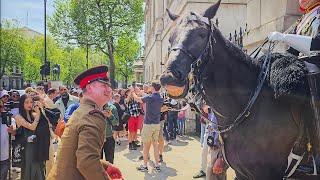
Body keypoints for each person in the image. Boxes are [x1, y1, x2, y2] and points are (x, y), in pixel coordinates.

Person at [268, 0, 320, 173]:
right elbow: (293, 53)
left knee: (311, 75)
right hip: (305, 65)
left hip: (317, 67)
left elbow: (317, 44)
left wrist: (285, 37)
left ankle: (316, 152)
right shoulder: (304, 18)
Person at [48, 66, 121, 180]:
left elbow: (77, 156)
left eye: (109, 86)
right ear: (90, 87)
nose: (109, 90)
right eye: (104, 85)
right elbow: (87, 162)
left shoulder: (83, 110)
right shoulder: (92, 116)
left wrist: (106, 166)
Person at [13, 93, 50, 180]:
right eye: (26, 102)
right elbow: (32, 127)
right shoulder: (18, 116)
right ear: (22, 104)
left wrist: (41, 109)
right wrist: (37, 115)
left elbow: (45, 124)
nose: (29, 104)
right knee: (28, 169)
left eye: (31, 102)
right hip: (26, 148)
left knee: (39, 168)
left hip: (37, 146)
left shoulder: (33, 114)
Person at [132, 81, 164, 172]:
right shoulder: (160, 97)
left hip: (148, 125)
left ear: (153, 87)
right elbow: (145, 97)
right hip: (156, 124)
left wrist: (133, 92)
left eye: (150, 86)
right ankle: (157, 165)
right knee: (155, 145)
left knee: (146, 146)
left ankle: (145, 165)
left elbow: (138, 99)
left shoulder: (150, 97)